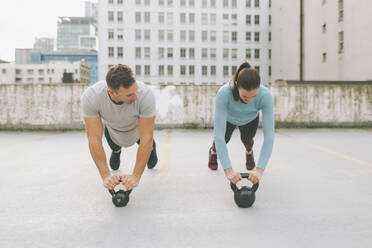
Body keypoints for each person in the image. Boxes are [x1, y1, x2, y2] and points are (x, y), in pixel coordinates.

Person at [81, 64, 158, 191]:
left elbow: (146, 138)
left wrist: (136, 176)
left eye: (135, 91)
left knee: (151, 162)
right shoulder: (91, 96)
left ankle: (152, 148)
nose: (135, 97)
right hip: (113, 131)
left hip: (137, 130)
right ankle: (116, 151)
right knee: (114, 162)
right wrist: (106, 176)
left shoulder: (145, 95)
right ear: (111, 92)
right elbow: (94, 139)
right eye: (129, 95)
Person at [208, 62, 274, 185]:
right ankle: (213, 152)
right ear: (237, 86)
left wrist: (259, 170)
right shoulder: (224, 93)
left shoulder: (265, 96)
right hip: (229, 119)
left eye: (253, 96)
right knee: (222, 140)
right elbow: (219, 135)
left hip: (250, 119)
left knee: (247, 141)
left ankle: (249, 152)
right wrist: (228, 170)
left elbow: (269, 136)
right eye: (245, 97)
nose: (249, 100)